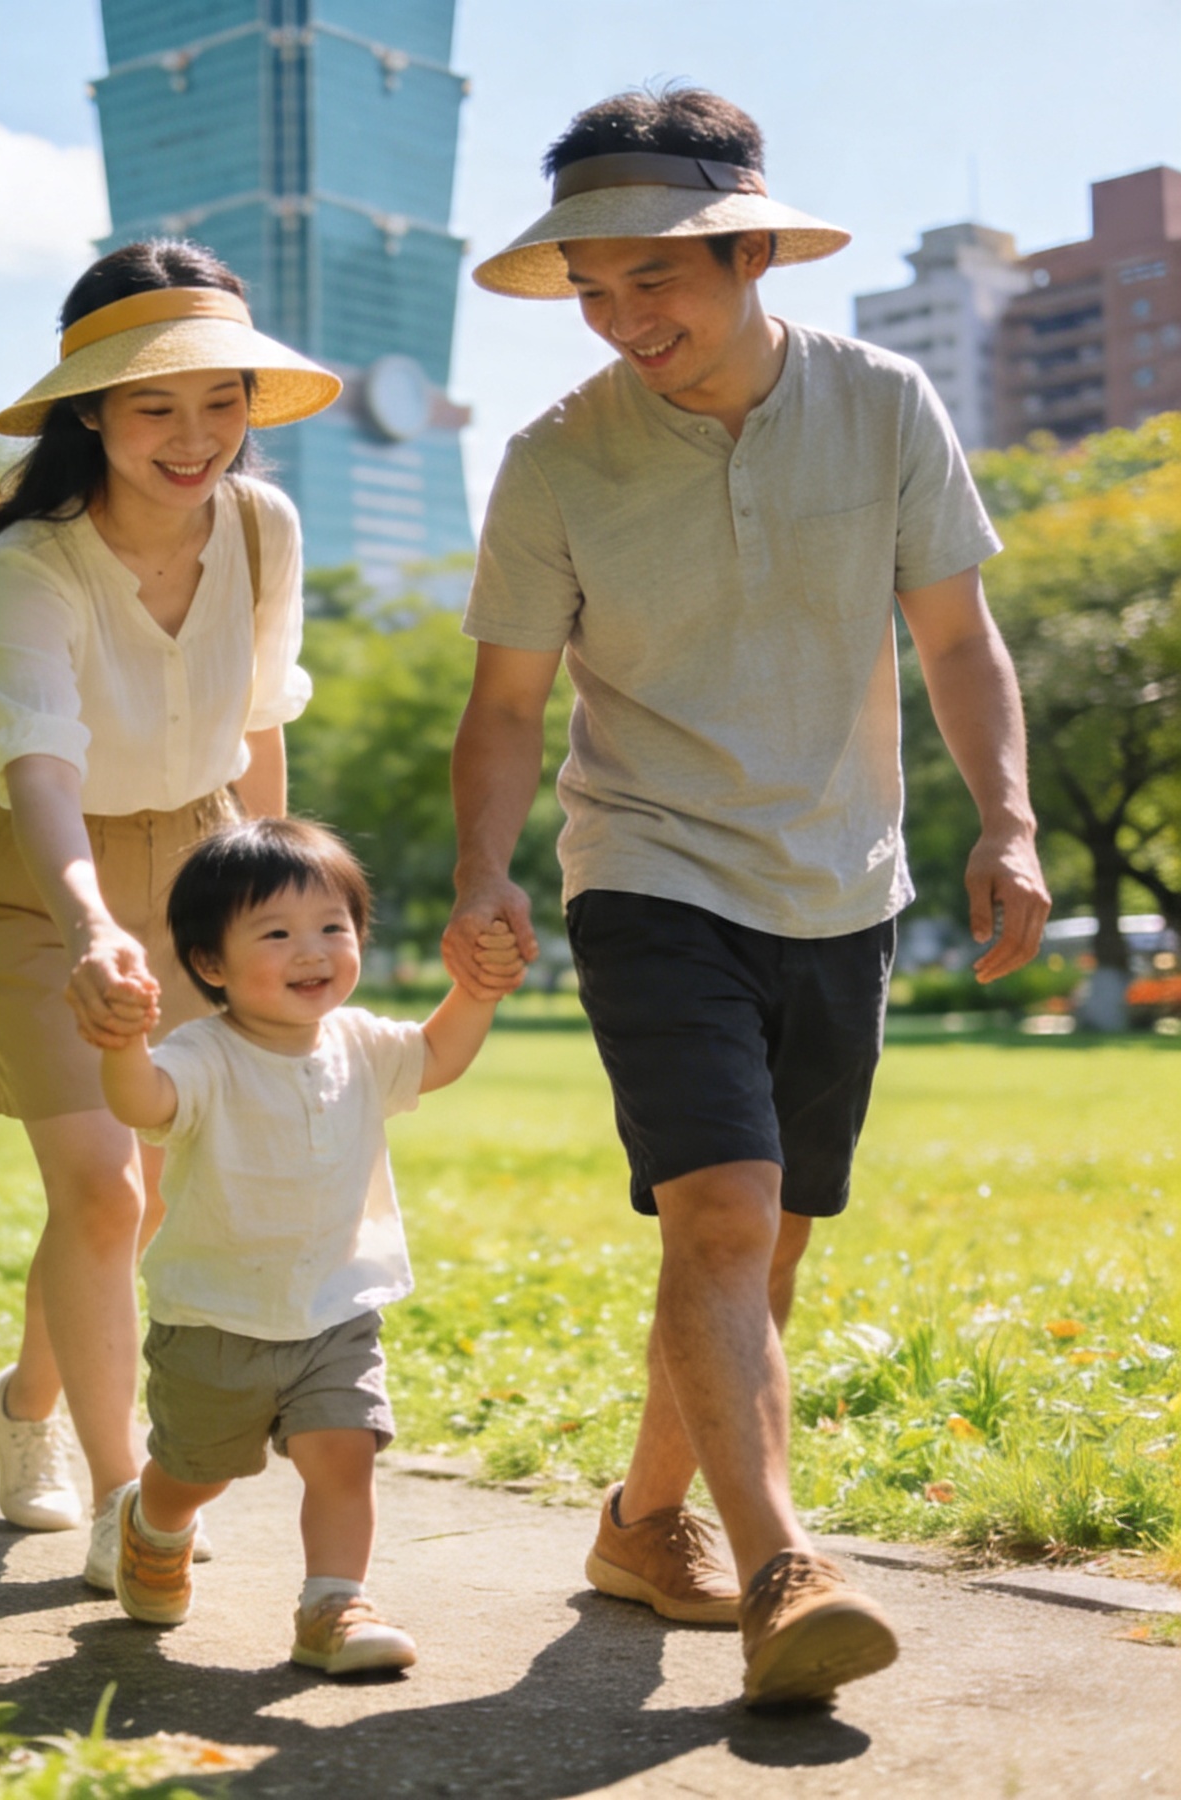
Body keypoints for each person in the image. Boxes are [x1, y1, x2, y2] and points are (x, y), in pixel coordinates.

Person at [445, 87, 1049, 1709]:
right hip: (647, 867)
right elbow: (505, 705)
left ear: (749, 253)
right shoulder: (553, 460)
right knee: (716, 1216)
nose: (620, 316)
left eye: (653, 276)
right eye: (590, 286)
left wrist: (1004, 820)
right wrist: (484, 867)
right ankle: (787, 1568)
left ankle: (644, 1522)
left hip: (839, 876)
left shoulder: (882, 402)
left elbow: (955, 638)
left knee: (762, 1249)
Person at [0, 240, 344, 1588]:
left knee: (151, 1191)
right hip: (40, 875)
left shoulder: (264, 527)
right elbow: (39, 761)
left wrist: (277, 906)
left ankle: (24, 1405)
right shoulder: (32, 560)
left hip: (200, 857)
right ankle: (131, 1503)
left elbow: (262, 717)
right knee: (100, 1187)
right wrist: (88, 925)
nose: (193, 438)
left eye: (221, 401)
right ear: (91, 412)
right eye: (154, 406)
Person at [98, 819, 521, 1674]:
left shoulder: (360, 1042)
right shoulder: (205, 1054)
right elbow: (144, 1104)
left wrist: (478, 989)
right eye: (276, 934)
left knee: (344, 1455)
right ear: (210, 964)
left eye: (334, 926)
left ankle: (333, 1606)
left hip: (335, 1310)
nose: (313, 950)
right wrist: (121, 1043)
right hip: (216, 1321)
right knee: (197, 1471)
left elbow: (437, 1054)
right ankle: (156, 1523)